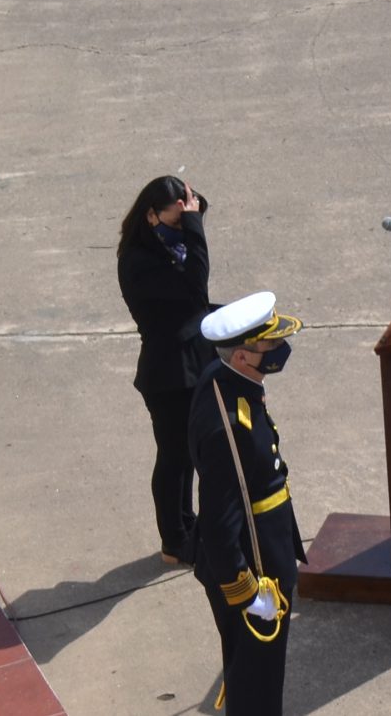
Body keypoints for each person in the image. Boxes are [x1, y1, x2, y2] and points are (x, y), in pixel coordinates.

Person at [191, 291, 305, 716]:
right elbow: (221, 521)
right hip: (254, 567)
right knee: (257, 682)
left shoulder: (229, 381)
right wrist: (246, 591)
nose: (278, 349)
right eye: (268, 345)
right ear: (242, 357)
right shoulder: (227, 426)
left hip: (265, 547)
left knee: (253, 676)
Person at [116, 175, 211, 565]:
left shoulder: (169, 249)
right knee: (173, 456)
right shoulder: (139, 261)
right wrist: (194, 231)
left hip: (191, 364)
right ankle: (174, 540)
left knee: (188, 454)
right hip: (168, 373)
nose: (185, 230)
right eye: (178, 222)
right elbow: (196, 287)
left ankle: (186, 524)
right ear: (151, 215)